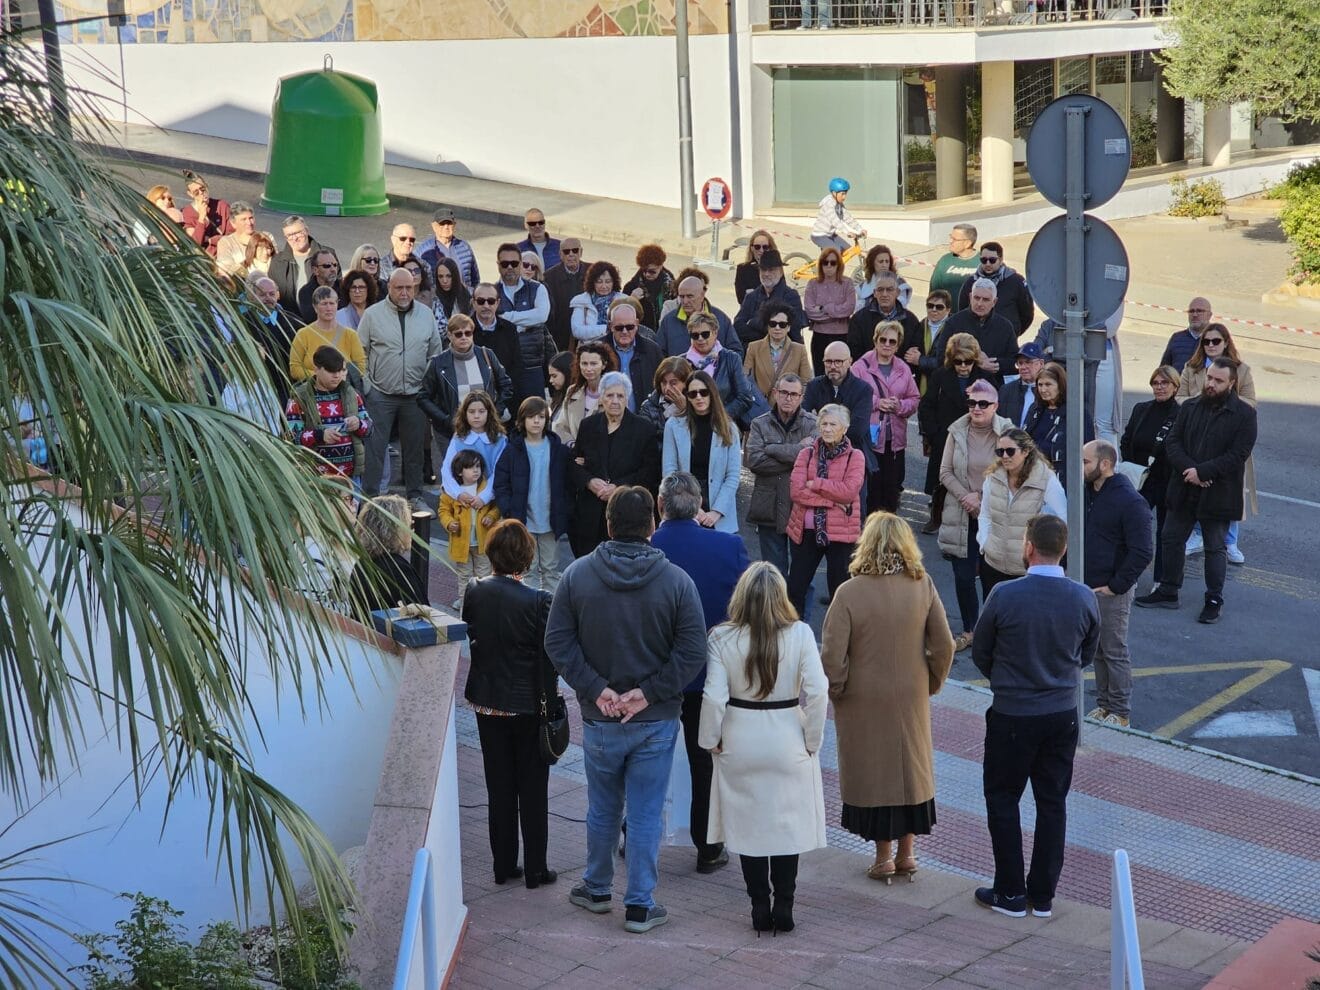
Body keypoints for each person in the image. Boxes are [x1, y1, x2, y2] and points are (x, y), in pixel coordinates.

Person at [545, 486, 708, 935]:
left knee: (602, 807)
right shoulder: (677, 581)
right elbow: (693, 651)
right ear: (653, 526)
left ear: (609, 523)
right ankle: (640, 904)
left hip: (600, 718)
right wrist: (649, 693)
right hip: (654, 720)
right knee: (645, 811)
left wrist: (597, 689)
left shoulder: (576, 576)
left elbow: (557, 641)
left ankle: (596, 889)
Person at [972, 514, 1099, 919]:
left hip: (1012, 714)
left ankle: (1009, 892)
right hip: (1062, 715)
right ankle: (1041, 897)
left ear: (1028, 547)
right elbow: (1087, 655)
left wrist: (1007, 680)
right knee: (1052, 802)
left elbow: (981, 652)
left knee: (1003, 798)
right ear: (1063, 549)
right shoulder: (1083, 598)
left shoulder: (1004, 595)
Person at [821, 512, 954, 884]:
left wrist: (840, 688)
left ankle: (882, 858)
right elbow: (943, 643)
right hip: (910, 694)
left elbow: (833, 653)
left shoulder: (849, 592)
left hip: (863, 698)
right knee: (908, 771)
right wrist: (930, 682)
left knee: (875, 774)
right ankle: (907, 853)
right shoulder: (922, 584)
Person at [700, 562, 827, 934]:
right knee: (786, 827)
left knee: (748, 827)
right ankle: (784, 904)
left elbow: (713, 697)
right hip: (787, 733)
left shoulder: (722, 637)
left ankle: (759, 905)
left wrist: (711, 739)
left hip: (740, 737)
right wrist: (811, 740)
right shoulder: (800, 634)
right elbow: (819, 693)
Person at [652, 473, 751, 877]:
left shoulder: (647, 548)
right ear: (699, 505)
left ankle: (632, 833)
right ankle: (708, 848)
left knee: (647, 758)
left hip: (654, 673)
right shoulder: (729, 547)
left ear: (661, 506)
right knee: (704, 760)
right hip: (709, 674)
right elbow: (745, 611)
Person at [462, 519, 558, 889]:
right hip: (529, 706)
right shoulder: (539, 601)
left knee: (498, 788)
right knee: (533, 789)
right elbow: (548, 656)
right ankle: (536, 868)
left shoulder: (474, 590)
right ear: (527, 558)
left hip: (487, 702)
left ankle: (503, 864)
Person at [1135, 358, 1257, 624]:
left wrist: (1204, 472)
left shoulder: (1245, 415)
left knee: (1215, 547)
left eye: (1218, 380)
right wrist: (1191, 471)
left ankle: (1214, 599)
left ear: (1232, 383)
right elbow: (1174, 442)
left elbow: (1238, 454)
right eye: (1209, 378)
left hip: (1218, 491)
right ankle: (1168, 590)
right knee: (1170, 538)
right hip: (1185, 486)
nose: (1211, 384)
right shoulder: (1189, 407)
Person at [1081, 440, 1154, 728]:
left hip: (1111, 591)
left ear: (1105, 464)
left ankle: (1120, 712)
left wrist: (1116, 586)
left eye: (1086, 461)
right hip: (1089, 586)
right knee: (1097, 649)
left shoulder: (1130, 501)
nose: (1081, 466)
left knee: (1113, 650)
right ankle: (1103, 705)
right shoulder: (1089, 492)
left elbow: (1143, 551)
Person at [358, 269, 443, 509]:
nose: (404, 292)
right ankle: (370, 500)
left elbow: (435, 352)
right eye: (399, 288)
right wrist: (368, 386)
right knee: (374, 449)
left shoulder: (426, 315)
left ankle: (415, 497)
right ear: (390, 288)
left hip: (415, 395)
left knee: (414, 449)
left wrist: (426, 385)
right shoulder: (373, 315)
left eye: (409, 288)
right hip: (380, 394)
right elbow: (359, 352)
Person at [937, 379, 1012, 652]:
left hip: (993, 514)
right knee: (963, 576)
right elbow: (944, 471)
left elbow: (1012, 472)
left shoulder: (1008, 432)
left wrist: (982, 498)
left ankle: (993, 631)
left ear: (996, 406)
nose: (977, 408)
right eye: (972, 403)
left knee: (994, 577)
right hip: (962, 512)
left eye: (983, 404)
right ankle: (971, 628)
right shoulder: (956, 430)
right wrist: (966, 497)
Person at [1175, 323, 1257, 563]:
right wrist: (1200, 403)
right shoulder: (1192, 368)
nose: (1210, 345)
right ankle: (1198, 535)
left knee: (1230, 491)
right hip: (1197, 434)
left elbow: (1251, 401)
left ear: (1226, 343)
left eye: (1216, 341)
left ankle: (1230, 541)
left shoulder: (1241, 370)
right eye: (1206, 341)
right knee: (1198, 486)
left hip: (1229, 435)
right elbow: (1179, 396)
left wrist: (1225, 402)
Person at [567, 372, 660, 557]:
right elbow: (574, 463)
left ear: (627, 398)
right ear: (601, 398)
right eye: (610, 395)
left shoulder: (644, 429)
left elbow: (649, 472)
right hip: (590, 513)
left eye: (620, 395)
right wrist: (589, 481)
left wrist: (618, 487)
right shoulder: (588, 425)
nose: (615, 401)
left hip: (627, 512)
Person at [785, 404, 866, 615]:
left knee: (840, 594)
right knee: (795, 590)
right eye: (824, 424)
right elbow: (796, 492)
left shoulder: (855, 457)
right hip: (806, 531)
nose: (827, 429)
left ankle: (838, 643)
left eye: (833, 424)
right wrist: (832, 502)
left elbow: (848, 493)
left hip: (841, 536)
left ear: (845, 428)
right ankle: (793, 638)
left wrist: (817, 484)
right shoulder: (805, 454)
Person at [977, 428, 1067, 596]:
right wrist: (985, 544)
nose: (1004, 456)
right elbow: (985, 514)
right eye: (1000, 451)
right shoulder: (993, 477)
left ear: (1025, 451)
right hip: (992, 565)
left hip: (1025, 571)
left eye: (1010, 451)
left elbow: (1062, 520)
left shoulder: (1046, 480)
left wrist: (1039, 558)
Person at [494, 398, 569, 593]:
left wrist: (565, 509)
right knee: (528, 568)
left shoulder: (558, 450)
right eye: (531, 417)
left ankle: (551, 611)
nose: (536, 421)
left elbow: (568, 484)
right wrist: (509, 511)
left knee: (551, 569)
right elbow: (501, 483)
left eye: (541, 417)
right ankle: (531, 608)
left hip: (550, 520)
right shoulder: (512, 451)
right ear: (522, 420)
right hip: (523, 520)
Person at [746, 374, 817, 577]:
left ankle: (800, 611)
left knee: (802, 577)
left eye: (794, 394)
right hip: (769, 506)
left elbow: (813, 462)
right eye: (784, 393)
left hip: (801, 509)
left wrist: (773, 449)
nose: (788, 398)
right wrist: (797, 453)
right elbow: (755, 461)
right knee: (774, 575)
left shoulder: (813, 424)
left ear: (801, 397)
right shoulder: (759, 424)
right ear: (775, 394)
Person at [419, 314, 514, 460]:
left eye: (468, 333)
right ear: (450, 336)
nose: (464, 337)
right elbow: (423, 396)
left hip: (485, 428)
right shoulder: (437, 363)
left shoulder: (486, 355)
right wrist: (444, 419)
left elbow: (506, 385)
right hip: (451, 431)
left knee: (486, 471)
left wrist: (495, 412)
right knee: (455, 473)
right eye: (458, 334)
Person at [1120, 365, 1182, 588]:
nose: (1159, 387)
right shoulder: (1141, 409)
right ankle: (1129, 575)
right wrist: (1133, 467)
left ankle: (1161, 581)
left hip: (1167, 483)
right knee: (1133, 529)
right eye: (1155, 383)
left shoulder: (1181, 415)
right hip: (1140, 482)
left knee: (1165, 533)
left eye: (1164, 383)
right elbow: (1126, 440)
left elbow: (1180, 450)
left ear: (1175, 387)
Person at [852, 320, 920, 515]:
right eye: (883, 339)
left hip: (895, 443)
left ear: (898, 345)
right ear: (875, 340)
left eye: (892, 341)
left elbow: (914, 399)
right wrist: (877, 403)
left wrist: (899, 405)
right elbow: (852, 397)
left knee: (891, 493)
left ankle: (889, 538)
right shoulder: (860, 367)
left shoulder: (903, 368)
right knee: (870, 493)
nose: (887, 344)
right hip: (869, 441)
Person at [662, 371, 742, 534]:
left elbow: (733, 475)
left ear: (712, 394)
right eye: (692, 394)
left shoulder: (729, 428)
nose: (699, 397)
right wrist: (691, 508)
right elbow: (670, 472)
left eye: (704, 392)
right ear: (688, 397)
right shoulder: (673, 425)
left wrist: (716, 511)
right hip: (684, 507)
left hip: (720, 513)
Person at [285, 345, 371, 484]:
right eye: (331, 371)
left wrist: (359, 424)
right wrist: (320, 435)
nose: (337, 375)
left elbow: (369, 429)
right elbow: (291, 438)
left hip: (350, 477)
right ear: (316, 369)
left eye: (340, 370)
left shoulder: (351, 394)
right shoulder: (299, 398)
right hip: (315, 478)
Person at [439, 449, 500, 610]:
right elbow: (443, 510)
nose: (476, 471)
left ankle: (483, 605)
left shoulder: (486, 487)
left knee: (484, 575)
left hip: (483, 543)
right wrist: (449, 523)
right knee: (464, 577)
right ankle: (466, 605)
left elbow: (496, 507)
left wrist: (491, 517)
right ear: (459, 472)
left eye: (478, 466)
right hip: (461, 543)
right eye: (470, 467)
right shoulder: (451, 490)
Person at [682, 312, 765, 427]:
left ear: (715, 333)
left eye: (705, 334)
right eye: (695, 335)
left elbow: (744, 397)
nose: (700, 339)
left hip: (724, 426)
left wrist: (718, 417)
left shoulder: (731, 359)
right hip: (691, 426)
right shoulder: (682, 362)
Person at [347, 494, 426, 612]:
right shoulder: (397, 569)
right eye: (409, 524)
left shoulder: (362, 563)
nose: (411, 529)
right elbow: (423, 613)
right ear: (396, 528)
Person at [1024, 362, 1093, 491]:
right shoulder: (1035, 409)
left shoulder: (1077, 412)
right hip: (1034, 478)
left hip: (1064, 481)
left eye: (1048, 384)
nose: (1043, 389)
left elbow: (1088, 448)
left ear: (1060, 386)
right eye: (1040, 385)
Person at [940, 278, 1018, 386]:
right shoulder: (954, 323)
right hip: (957, 388)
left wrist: (995, 365)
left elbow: (1014, 362)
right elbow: (941, 357)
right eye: (976, 298)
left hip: (992, 389)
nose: (979, 303)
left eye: (985, 299)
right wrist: (976, 361)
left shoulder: (1005, 327)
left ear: (994, 302)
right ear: (970, 297)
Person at [439, 390, 508, 501]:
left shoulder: (500, 440)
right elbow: (447, 469)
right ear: (465, 414)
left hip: (493, 499)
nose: (476, 416)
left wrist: (484, 497)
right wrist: (458, 493)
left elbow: (499, 472)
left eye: (481, 411)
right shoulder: (459, 439)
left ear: (489, 412)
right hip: (463, 498)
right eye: (471, 412)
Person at [289, 286, 367, 383]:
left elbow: (361, 366)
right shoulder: (303, 334)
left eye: (332, 303)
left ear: (337, 305)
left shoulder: (350, 335)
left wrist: (341, 376)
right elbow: (294, 368)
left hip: (343, 389)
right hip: (314, 391)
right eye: (324, 304)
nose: (329, 308)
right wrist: (320, 377)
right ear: (315, 307)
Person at [957, 242, 1034, 337]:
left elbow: (1027, 314)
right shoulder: (971, 282)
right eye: (984, 260)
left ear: (1001, 260)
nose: (988, 264)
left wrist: (1013, 333)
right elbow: (962, 310)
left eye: (992, 260)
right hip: (975, 339)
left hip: (1005, 339)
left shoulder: (1016, 281)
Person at [733, 249, 807, 348]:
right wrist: (767, 332)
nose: (766, 274)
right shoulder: (751, 297)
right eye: (763, 269)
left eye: (771, 270)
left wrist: (753, 322)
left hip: (784, 356)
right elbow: (738, 327)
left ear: (780, 272)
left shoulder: (791, 296)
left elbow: (791, 331)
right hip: (754, 355)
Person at [656, 275, 742, 357]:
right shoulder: (669, 321)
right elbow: (658, 354)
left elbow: (736, 352)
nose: (685, 301)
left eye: (690, 296)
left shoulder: (721, 319)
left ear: (702, 295)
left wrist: (721, 369)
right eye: (682, 297)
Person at [847, 271, 921, 365]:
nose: (884, 294)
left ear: (897, 292)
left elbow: (912, 354)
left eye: (889, 289)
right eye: (880, 289)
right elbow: (854, 351)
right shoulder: (859, 319)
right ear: (874, 293)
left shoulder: (911, 321)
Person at [552, 341, 618, 445]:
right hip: (574, 455)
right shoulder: (572, 391)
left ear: (604, 365)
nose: (588, 369)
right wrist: (572, 445)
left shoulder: (615, 394)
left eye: (593, 364)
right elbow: (560, 426)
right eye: (584, 363)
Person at [802, 246, 856, 373]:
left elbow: (849, 309)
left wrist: (824, 308)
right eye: (825, 262)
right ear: (820, 265)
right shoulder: (813, 284)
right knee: (820, 375)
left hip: (842, 336)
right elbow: (810, 311)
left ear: (839, 265)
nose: (829, 266)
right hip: (819, 337)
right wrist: (837, 313)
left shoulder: (847, 283)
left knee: (841, 374)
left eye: (833, 262)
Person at [743, 302, 813, 401]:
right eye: (773, 324)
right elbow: (746, 380)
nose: (777, 328)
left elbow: (806, 382)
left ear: (788, 327)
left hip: (789, 406)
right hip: (762, 407)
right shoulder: (754, 347)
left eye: (782, 324)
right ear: (767, 326)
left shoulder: (799, 350)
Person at [607, 302, 663, 412]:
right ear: (611, 326)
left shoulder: (652, 351)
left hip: (643, 419)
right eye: (619, 327)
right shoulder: (598, 350)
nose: (624, 332)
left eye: (629, 327)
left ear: (637, 324)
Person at [470, 284, 524, 393]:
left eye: (491, 301)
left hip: (506, 396)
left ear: (498, 303)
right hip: (474, 396)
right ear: (473, 303)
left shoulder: (510, 329)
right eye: (481, 301)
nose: (486, 306)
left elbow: (517, 366)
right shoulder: (464, 331)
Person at [269, 215, 322, 316]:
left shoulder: (327, 256)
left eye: (298, 233)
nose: (295, 238)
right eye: (290, 235)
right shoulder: (277, 262)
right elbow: (274, 295)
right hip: (289, 321)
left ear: (306, 231)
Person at [902, 289, 953, 395]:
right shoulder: (919, 325)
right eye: (930, 306)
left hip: (942, 387)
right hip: (919, 384)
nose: (934, 310)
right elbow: (910, 355)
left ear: (948, 310)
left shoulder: (953, 329)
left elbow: (947, 362)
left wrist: (920, 361)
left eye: (939, 307)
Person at [417, 207, 480, 290]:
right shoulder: (422, 250)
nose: (446, 227)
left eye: (449, 223)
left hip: (463, 300)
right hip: (435, 300)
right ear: (434, 226)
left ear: (454, 225)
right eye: (442, 224)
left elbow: (475, 279)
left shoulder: (465, 247)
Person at [544, 238, 589, 351]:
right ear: (560, 254)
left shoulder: (592, 271)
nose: (571, 254)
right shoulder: (549, 277)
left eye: (575, 250)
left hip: (587, 333)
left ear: (581, 252)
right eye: (566, 251)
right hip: (559, 334)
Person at [571, 260, 627, 344]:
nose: (604, 286)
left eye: (608, 281)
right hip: (589, 351)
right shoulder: (581, 301)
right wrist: (607, 328)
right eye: (599, 282)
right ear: (592, 282)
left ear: (614, 282)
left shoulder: (623, 301)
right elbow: (577, 331)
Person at [638, 356, 692, 440]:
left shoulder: (695, 402)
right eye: (663, 382)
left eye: (673, 383)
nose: (667, 388)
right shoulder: (648, 407)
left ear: (686, 383)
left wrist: (686, 411)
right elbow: (645, 439)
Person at [180, 170, 232, 257]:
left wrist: (212, 240)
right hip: (206, 258)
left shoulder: (222, 206)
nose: (201, 193)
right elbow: (194, 244)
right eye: (196, 192)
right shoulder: (187, 213)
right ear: (190, 194)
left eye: (203, 189)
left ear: (206, 186)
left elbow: (231, 235)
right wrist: (201, 219)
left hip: (225, 253)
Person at [623, 244, 675, 331]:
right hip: (640, 334)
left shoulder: (673, 287)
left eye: (652, 271)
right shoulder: (630, 287)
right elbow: (621, 314)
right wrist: (632, 300)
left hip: (665, 333)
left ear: (661, 266)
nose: (647, 274)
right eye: (644, 270)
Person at [929, 223, 979, 310]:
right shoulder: (945, 261)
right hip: (948, 318)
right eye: (950, 237)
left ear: (967, 243)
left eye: (955, 239)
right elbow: (934, 292)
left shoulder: (984, 262)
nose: (950, 241)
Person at [997, 342, 1045, 428]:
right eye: (1020, 363)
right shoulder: (1006, 390)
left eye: (1028, 362)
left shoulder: (1048, 391)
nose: (1023, 367)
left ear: (1041, 364)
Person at [1159, 296, 1213, 372]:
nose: (1194, 315)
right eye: (1191, 311)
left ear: (1209, 315)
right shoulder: (1177, 338)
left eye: (1199, 311)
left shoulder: (1217, 340)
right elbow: (1163, 370)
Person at [810, 177, 865, 251]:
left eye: (845, 194)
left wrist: (860, 229)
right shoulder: (828, 204)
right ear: (834, 193)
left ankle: (831, 260)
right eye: (842, 194)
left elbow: (847, 218)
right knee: (837, 250)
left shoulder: (839, 204)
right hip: (819, 236)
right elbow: (835, 221)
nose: (844, 197)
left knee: (847, 249)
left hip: (831, 235)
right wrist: (847, 232)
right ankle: (829, 262)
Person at [854, 243, 912, 312]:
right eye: (881, 262)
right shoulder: (862, 288)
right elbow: (858, 313)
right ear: (872, 263)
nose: (884, 265)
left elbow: (901, 308)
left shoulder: (900, 284)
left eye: (887, 261)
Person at [296, 248, 342, 324]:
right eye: (327, 266)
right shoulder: (305, 292)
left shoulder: (345, 287)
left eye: (335, 265)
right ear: (315, 270)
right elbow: (312, 320)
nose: (333, 269)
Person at [733, 231, 778, 303]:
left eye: (765, 247)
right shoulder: (743, 269)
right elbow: (741, 299)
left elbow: (781, 295)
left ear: (770, 249)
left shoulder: (776, 269)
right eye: (757, 247)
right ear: (752, 248)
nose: (761, 250)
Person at [213, 201, 257, 276]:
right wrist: (252, 247)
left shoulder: (265, 237)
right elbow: (227, 270)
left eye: (251, 218)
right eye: (244, 219)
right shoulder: (226, 243)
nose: (249, 223)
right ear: (233, 223)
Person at [433, 257, 472, 333]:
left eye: (449, 276)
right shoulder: (432, 299)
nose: (444, 281)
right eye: (440, 276)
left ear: (455, 276)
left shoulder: (466, 295)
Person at [547, 351, 574, 419]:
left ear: (567, 373)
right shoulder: (558, 395)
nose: (550, 380)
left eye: (554, 376)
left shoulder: (576, 398)